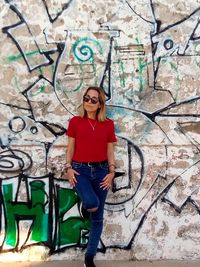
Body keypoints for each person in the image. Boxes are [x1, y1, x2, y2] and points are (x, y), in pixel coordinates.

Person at [65, 86, 117, 267]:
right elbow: (70, 147)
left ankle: (89, 256)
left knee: (97, 217)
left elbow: (110, 149)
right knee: (91, 203)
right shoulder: (75, 122)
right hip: (80, 170)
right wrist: (68, 168)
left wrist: (112, 172)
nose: (88, 102)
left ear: (100, 103)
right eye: (86, 98)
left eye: (94, 99)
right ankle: (89, 206)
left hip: (102, 171)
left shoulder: (108, 124)